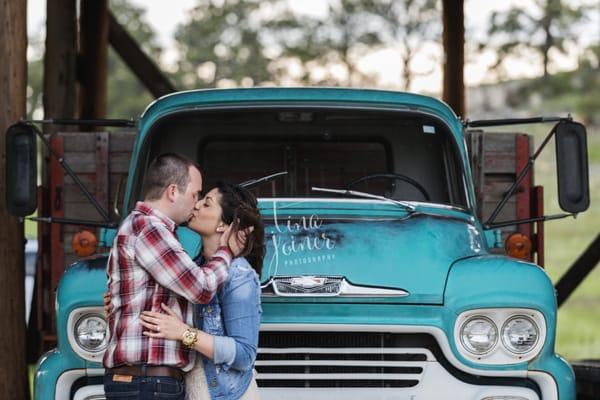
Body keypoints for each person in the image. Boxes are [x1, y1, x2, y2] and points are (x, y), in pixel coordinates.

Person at [103, 154, 247, 400]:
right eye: (195, 194)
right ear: (172, 192)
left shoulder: (147, 228)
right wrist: (227, 250)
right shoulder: (149, 228)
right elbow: (201, 288)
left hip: (145, 382)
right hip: (147, 383)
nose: (197, 203)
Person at [139, 182, 264, 400]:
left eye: (206, 204)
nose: (195, 206)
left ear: (223, 225)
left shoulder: (238, 275)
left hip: (228, 395)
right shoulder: (194, 270)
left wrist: (184, 333)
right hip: (195, 390)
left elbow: (244, 354)